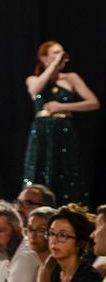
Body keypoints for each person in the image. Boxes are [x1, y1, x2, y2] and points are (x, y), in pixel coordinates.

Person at [22, 41, 100, 205]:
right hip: (41, 132)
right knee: (39, 170)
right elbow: (34, 91)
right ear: (44, 58)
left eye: (62, 53)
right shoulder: (34, 79)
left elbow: (93, 103)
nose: (61, 56)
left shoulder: (71, 78)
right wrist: (53, 65)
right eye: (55, 53)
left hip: (63, 130)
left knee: (65, 171)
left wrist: (62, 106)